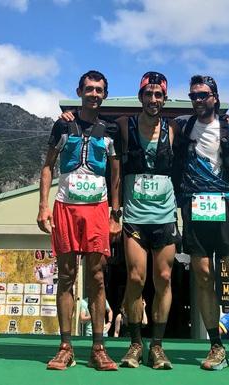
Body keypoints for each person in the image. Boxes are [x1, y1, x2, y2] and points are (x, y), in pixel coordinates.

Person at [60, 71, 179, 370]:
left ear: (165, 99)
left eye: (159, 95)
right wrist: (70, 115)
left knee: (163, 278)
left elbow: (206, 126)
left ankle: (158, 346)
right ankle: (136, 343)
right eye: (148, 94)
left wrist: (227, 120)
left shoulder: (176, 128)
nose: (153, 100)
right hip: (135, 215)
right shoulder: (122, 126)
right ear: (140, 97)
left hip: (165, 214)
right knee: (136, 278)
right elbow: (90, 119)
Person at [173, 75, 229, 372]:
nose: (198, 100)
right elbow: (149, 126)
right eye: (193, 96)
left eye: (203, 95)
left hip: (224, 202)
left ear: (215, 97)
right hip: (194, 205)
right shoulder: (183, 125)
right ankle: (215, 346)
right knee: (202, 277)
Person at [37, 70, 121, 371]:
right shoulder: (62, 125)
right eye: (89, 89)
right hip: (65, 208)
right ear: (79, 91)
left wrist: (115, 214)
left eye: (99, 90)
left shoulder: (111, 130)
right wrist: (43, 206)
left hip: (97, 209)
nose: (94, 94)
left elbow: (115, 176)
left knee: (97, 278)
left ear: (105, 94)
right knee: (67, 276)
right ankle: (65, 347)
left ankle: (98, 347)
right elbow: (47, 167)